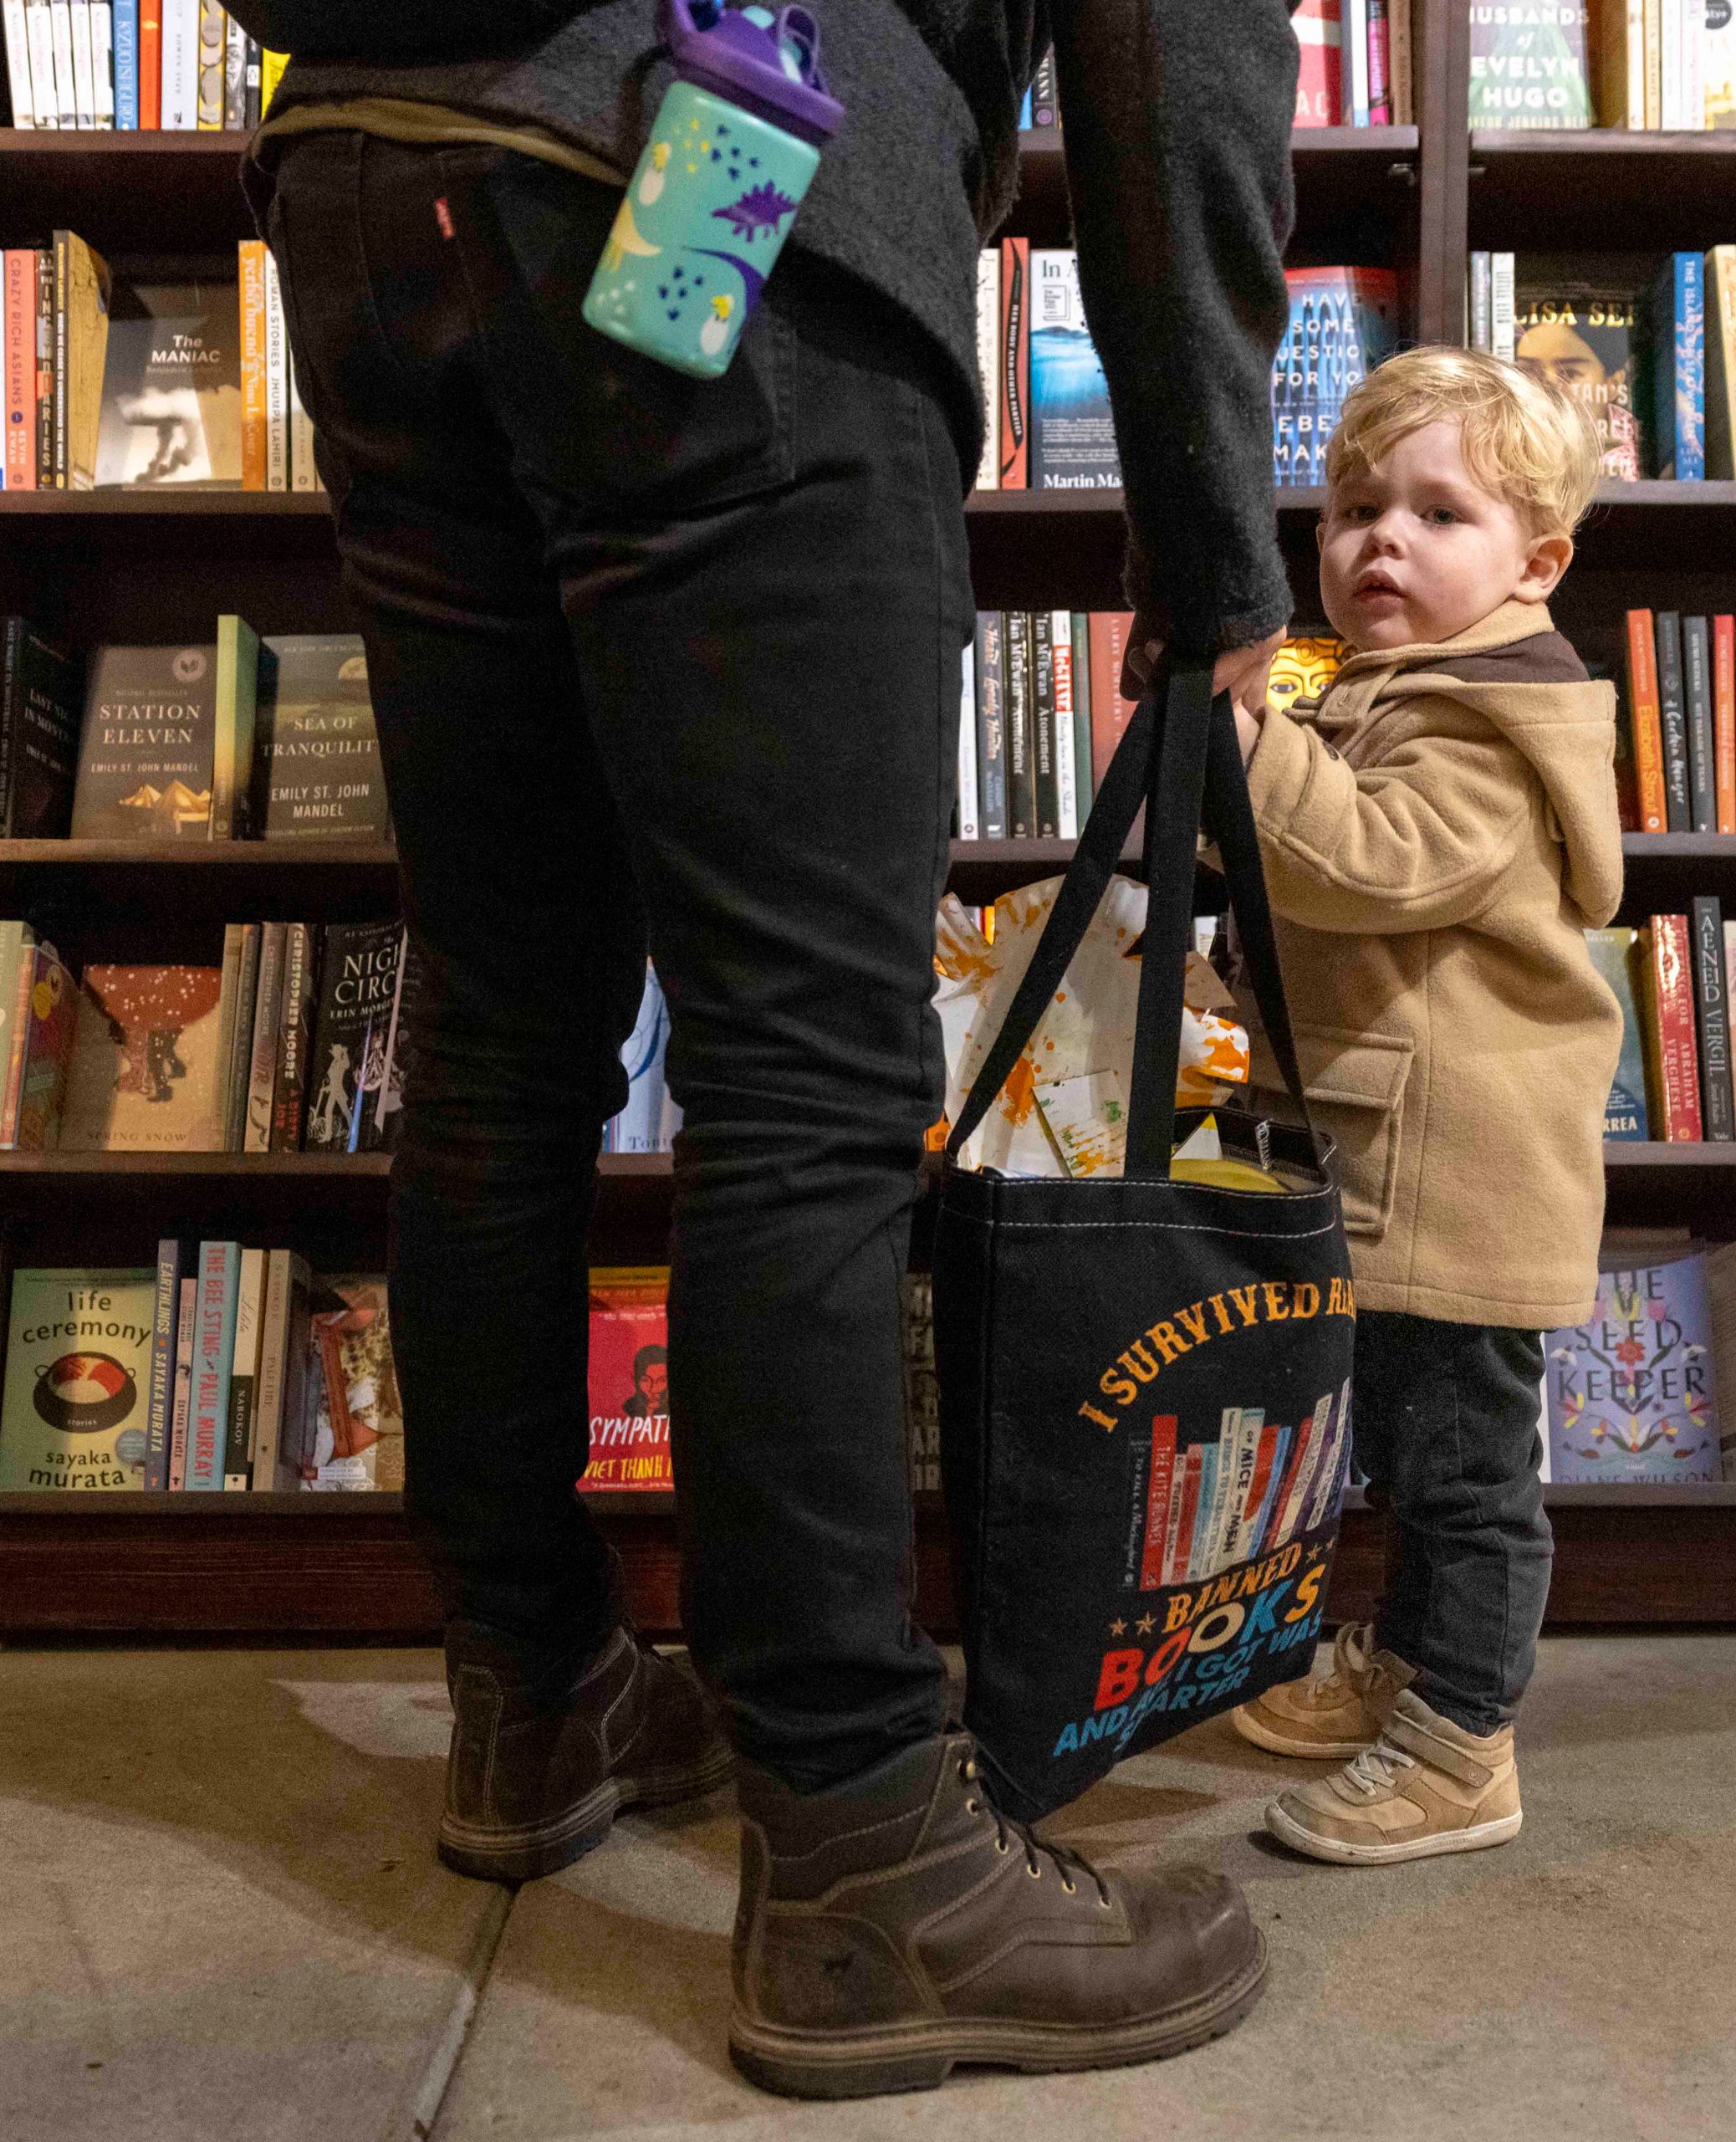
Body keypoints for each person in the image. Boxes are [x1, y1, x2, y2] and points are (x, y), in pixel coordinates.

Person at [222, 0, 1299, 2099]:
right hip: (716, 143)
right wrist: (1204, 525)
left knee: (502, 1017)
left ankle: (535, 1683)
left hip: (361, 166)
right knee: (799, 1057)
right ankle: (859, 1843)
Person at [1218, 347, 1624, 1865]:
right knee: (1398, 1443)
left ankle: (1463, 1742)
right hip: (1385, 1153)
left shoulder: (1490, 718)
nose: (1380, 538)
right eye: (1352, 507)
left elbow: (1372, 862)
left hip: (1459, 1168)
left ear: (1538, 561)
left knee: (1464, 1474)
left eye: (1439, 513)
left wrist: (1252, 746)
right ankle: (1402, 1669)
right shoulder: (1395, 684)